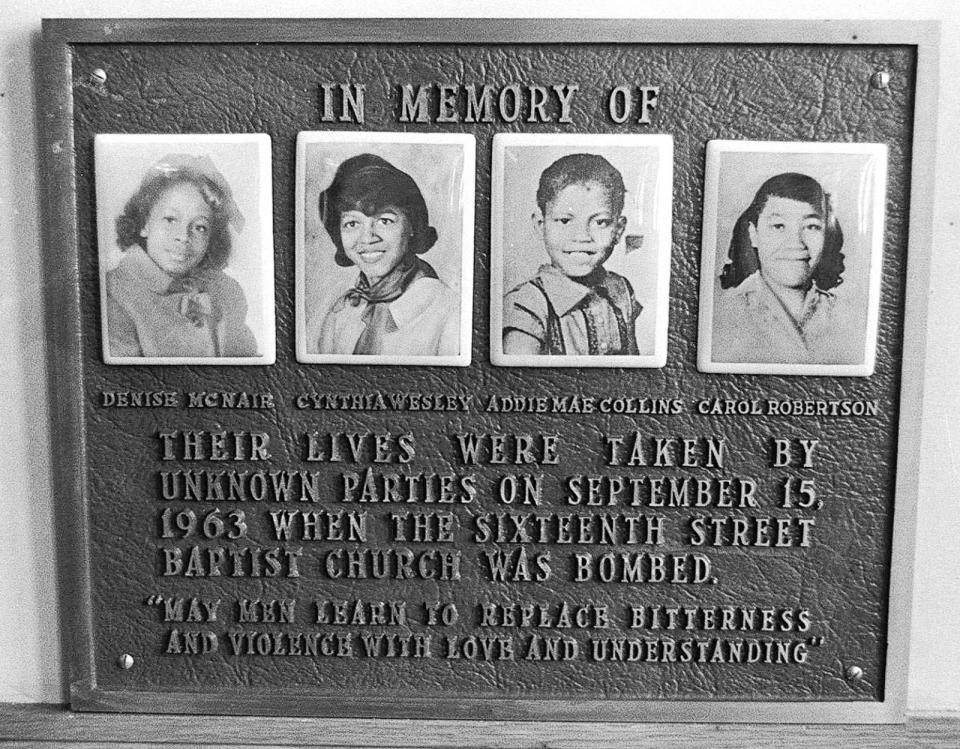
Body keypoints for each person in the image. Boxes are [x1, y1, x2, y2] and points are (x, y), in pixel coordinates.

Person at [105, 154, 258, 359]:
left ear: (212, 236)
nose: (183, 237)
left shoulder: (228, 292)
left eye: (200, 227)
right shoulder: (114, 294)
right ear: (144, 223)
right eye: (170, 219)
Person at [315, 153, 459, 356]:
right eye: (352, 224)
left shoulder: (449, 310)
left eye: (384, 220)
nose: (367, 238)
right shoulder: (341, 313)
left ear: (411, 225)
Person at [712, 172, 861, 365]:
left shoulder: (848, 318)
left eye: (811, 227)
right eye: (778, 226)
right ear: (753, 234)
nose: (796, 243)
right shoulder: (722, 315)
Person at [502, 153, 641, 356]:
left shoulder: (621, 290)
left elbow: (634, 373)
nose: (582, 237)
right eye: (565, 221)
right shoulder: (527, 303)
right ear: (541, 225)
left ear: (618, 230)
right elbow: (516, 381)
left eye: (600, 222)